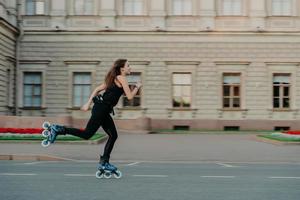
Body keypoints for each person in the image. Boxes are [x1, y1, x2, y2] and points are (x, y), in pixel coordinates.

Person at [45, 59, 142, 171]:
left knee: (113, 135)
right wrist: (137, 87)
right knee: (87, 134)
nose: (130, 68)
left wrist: (88, 103)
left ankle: (104, 162)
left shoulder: (114, 79)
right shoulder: (121, 78)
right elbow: (129, 97)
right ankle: (58, 129)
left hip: (103, 109)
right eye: (128, 66)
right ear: (122, 68)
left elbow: (97, 89)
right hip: (101, 109)